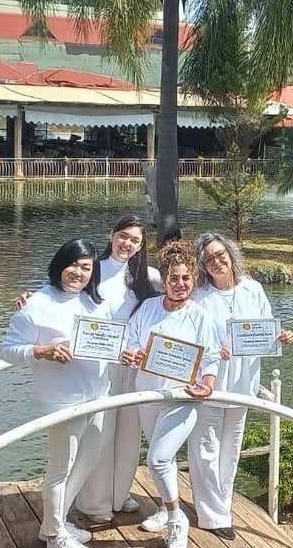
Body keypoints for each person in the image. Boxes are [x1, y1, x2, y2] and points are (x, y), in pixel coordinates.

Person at [2, 239, 111, 548]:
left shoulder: (95, 302)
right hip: (62, 400)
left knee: (88, 460)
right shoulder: (37, 303)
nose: (78, 272)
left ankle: (55, 522)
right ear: (60, 264)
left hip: (98, 395)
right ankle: (55, 536)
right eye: (73, 264)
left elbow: (109, 341)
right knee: (61, 467)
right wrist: (41, 351)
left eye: (86, 267)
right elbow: (8, 350)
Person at [188, 232, 293, 541]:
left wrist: (282, 337)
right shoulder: (199, 295)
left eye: (220, 255)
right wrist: (211, 348)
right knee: (205, 449)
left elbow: (266, 330)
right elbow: (189, 333)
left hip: (243, 384)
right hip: (209, 383)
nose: (216, 262)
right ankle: (211, 514)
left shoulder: (252, 289)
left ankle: (222, 505)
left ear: (231, 255)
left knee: (231, 450)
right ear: (202, 265)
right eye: (209, 259)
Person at [121, 239, 221, 548]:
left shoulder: (200, 315)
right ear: (164, 280)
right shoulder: (148, 308)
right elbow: (131, 339)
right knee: (164, 456)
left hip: (182, 397)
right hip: (148, 395)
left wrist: (208, 384)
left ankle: (178, 519)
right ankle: (166, 510)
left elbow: (211, 357)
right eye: (173, 278)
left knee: (158, 458)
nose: (180, 284)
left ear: (194, 278)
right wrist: (133, 353)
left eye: (185, 278)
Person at [75, 215, 162, 523]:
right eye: (123, 236)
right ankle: (94, 501)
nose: (127, 243)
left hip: (135, 365)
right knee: (100, 432)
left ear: (141, 245)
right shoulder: (92, 269)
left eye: (135, 240)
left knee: (128, 433)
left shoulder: (149, 277)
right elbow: (62, 294)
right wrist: (30, 298)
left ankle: (118, 493)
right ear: (111, 235)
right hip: (100, 364)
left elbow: (175, 305)